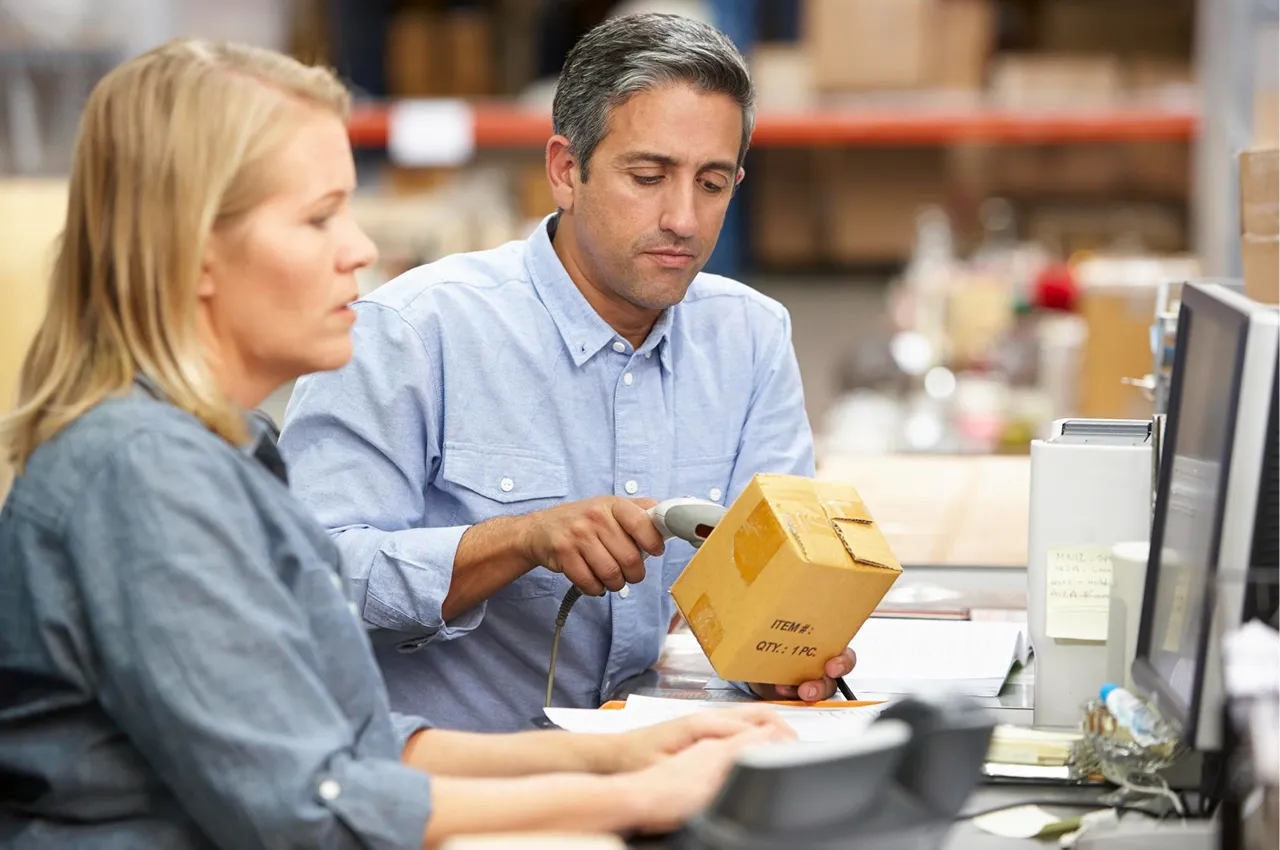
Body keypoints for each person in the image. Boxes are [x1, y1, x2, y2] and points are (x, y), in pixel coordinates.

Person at [0, 39, 796, 848]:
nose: (362, 249)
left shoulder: (226, 455)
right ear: (194, 248)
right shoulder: (143, 478)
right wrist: (635, 796)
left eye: (714, 181)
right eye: (318, 218)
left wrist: (622, 757)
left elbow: (357, 744)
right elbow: (312, 805)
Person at [279, 11, 855, 734]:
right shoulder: (414, 333)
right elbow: (306, 578)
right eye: (648, 176)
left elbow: (770, 596)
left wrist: (781, 657)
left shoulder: (750, 337)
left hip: (644, 770)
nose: (683, 216)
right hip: (455, 796)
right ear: (565, 171)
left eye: (712, 184)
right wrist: (518, 541)